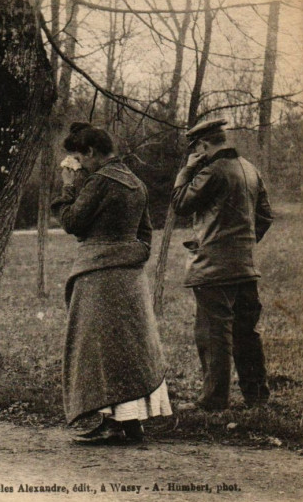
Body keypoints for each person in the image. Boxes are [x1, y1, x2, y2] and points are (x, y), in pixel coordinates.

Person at [51, 122, 172, 445]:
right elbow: (145, 235)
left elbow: (73, 222)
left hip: (98, 276)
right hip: (130, 277)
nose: (78, 164)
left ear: (91, 152)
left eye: (78, 157)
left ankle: (111, 422)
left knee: (99, 349)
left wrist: (68, 186)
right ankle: (132, 422)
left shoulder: (99, 182)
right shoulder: (136, 183)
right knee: (128, 347)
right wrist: (132, 256)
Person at [171, 119, 273, 411]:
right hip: (245, 266)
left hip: (214, 270)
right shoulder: (250, 169)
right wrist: (242, 243)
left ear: (203, 146)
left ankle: (214, 400)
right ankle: (256, 397)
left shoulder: (210, 172)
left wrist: (187, 169)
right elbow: (265, 216)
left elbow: (180, 203)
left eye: (196, 149)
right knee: (246, 333)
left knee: (214, 333)